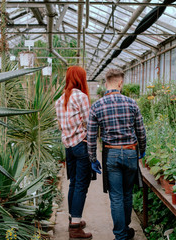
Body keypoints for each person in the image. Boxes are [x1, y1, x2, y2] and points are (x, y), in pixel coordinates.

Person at [87, 68, 146, 240]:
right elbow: (141, 131)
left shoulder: (97, 105)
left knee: (116, 197)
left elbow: (91, 136)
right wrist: (142, 150)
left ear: (106, 83)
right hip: (130, 152)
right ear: (121, 83)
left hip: (111, 153)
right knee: (127, 194)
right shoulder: (132, 103)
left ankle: (121, 235)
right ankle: (125, 230)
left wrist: (93, 159)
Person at [55, 66, 93, 240]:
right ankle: (75, 227)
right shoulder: (81, 97)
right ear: (80, 78)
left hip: (68, 147)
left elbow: (61, 126)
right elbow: (89, 122)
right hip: (80, 145)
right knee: (81, 186)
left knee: (73, 183)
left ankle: (73, 219)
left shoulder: (60, 99)